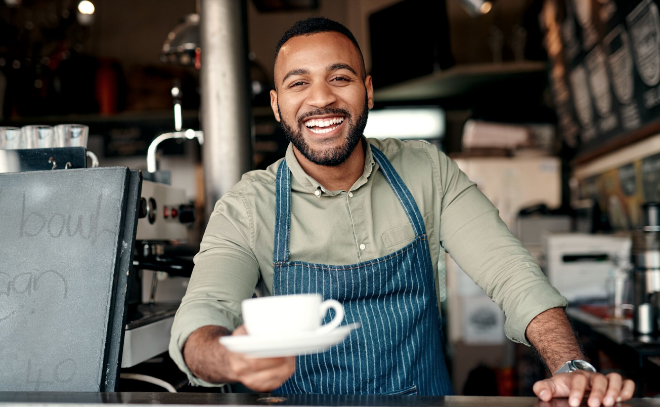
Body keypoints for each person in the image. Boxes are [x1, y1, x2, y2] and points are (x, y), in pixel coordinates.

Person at [170, 17, 635, 404]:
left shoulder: (426, 170)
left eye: (340, 78)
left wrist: (570, 365)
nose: (321, 99)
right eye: (298, 84)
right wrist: (229, 357)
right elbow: (203, 313)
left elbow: (513, 275)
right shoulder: (247, 206)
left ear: (367, 91)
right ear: (276, 105)